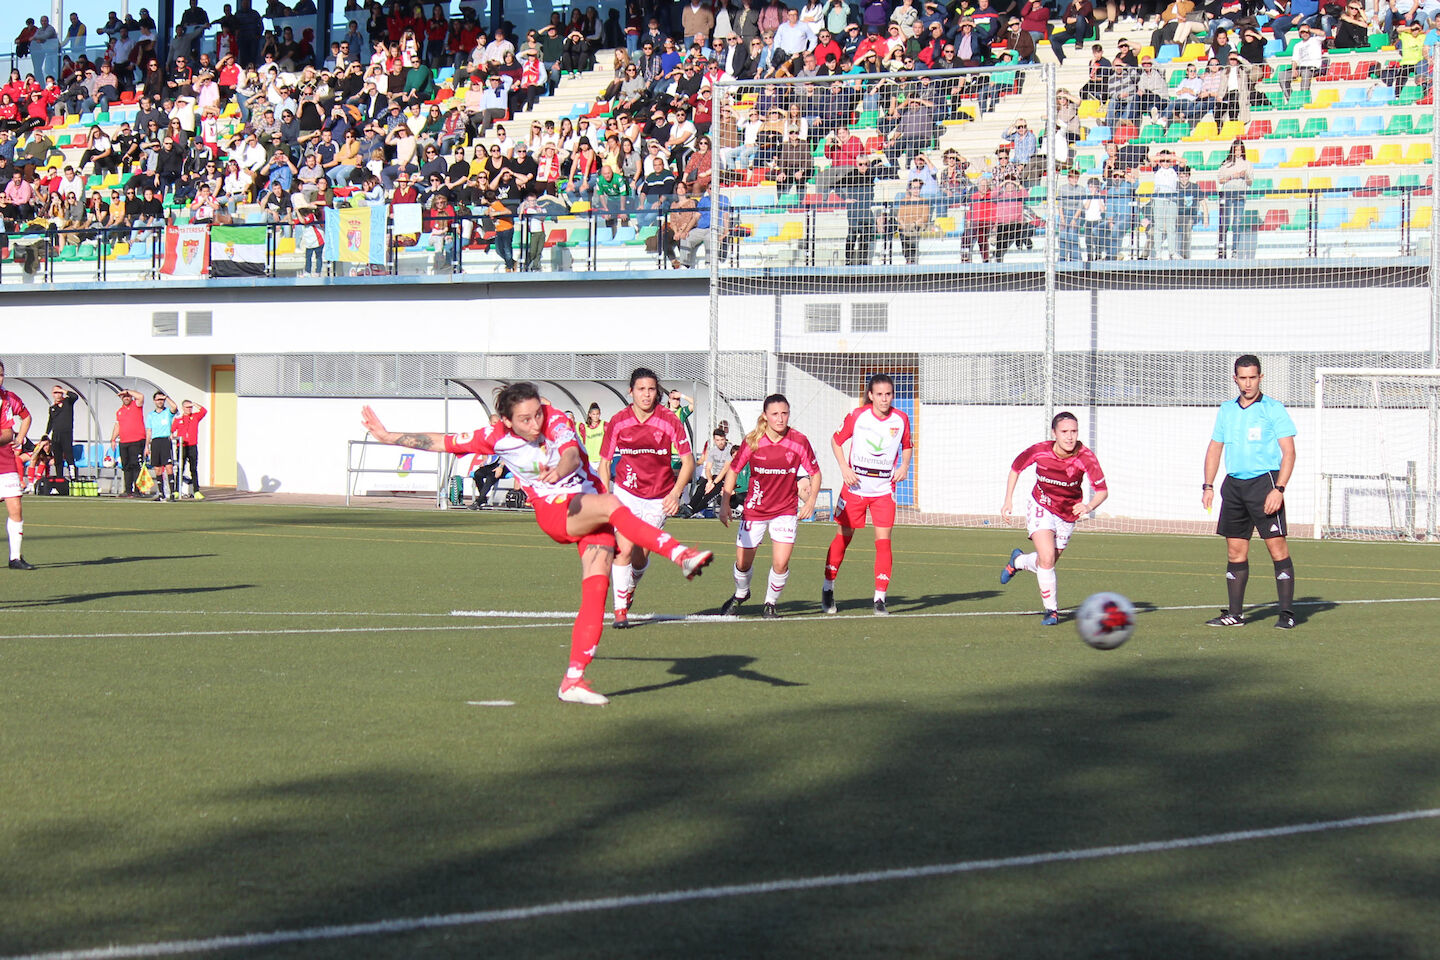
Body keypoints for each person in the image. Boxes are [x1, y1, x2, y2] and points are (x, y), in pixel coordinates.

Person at [360, 383, 714, 706]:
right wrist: (388, 436)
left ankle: (573, 680)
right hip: (558, 511)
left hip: (588, 510)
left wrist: (560, 469)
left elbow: (571, 454)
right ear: (507, 421)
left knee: (596, 589)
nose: (535, 423)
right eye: (525, 419)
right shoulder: (493, 437)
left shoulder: (555, 420)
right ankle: (681, 554)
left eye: (537, 414)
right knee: (611, 503)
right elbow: (443, 441)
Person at [1201, 355, 1298, 629]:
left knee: (1276, 547)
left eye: (1252, 377)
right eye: (1242, 378)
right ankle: (1235, 614)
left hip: (1264, 484)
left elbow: (1289, 452)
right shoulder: (1226, 410)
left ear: (1260, 378)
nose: (1247, 383)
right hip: (1234, 487)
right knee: (1235, 551)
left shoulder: (1273, 409)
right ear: (1235, 379)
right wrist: (1208, 485)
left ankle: (1286, 614)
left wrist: (1279, 489)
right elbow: (1215, 448)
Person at [598, 368, 695, 628]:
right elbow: (604, 463)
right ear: (631, 392)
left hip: (658, 497)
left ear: (657, 392)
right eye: (641, 389)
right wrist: (605, 496)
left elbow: (688, 462)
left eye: (651, 389)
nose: (646, 394)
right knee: (624, 549)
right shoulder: (618, 421)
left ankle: (630, 586)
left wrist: (675, 493)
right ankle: (620, 612)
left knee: (640, 557)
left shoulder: (669, 420)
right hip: (626, 493)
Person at [717, 393, 822, 618]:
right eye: (775, 414)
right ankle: (741, 593)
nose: (780, 418)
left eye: (784, 413)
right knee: (742, 563)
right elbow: (733, 470)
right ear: (765, 415)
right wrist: (725, 503)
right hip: (755, 510)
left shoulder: (799, 441)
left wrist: (811, 501)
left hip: (785, 510)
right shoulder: (753, 440)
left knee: (781, 563)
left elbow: (815, 473)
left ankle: (770, 604)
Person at [999, 411, 1109, 625]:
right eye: (1064, 431)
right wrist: (1008, 500)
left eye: (1074, 431)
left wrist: (1088, 506)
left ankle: (1018, 561)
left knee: (1046, 562)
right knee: (1047, 557)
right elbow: (1016, 468)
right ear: (1054, 433)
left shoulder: (1085, 457)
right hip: (1041, 505)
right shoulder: (1040, 451)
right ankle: (1051, 611)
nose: (1069, 436)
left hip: (1067, 514)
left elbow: (1102, 491)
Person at [822, 374, 913, 616]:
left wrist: (904, 466)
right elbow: (836, 441)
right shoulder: (858, 415)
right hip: (855, 488)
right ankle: (828, 588)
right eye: (879, 394)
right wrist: (844, 468)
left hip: (883, 490)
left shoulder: (901, 418)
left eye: (888, 394)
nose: (884, 399)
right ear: (870, 395)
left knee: (883, 542)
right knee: (843, 538)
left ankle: (880, 599)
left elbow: (907, 445)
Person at [0, 361, 34, 569]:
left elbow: (25, 418)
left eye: (1, 374)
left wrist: (20, 438)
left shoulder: (8, 398)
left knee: (16, 508)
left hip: (5, 461)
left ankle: (15, 558)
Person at [680, 423, 732, 518]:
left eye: (722, 440)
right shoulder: (712, 451)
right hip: (715, 477)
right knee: (701, 489)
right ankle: (690, 507)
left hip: (727, 478)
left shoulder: (729, 449)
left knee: (709, 495)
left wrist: (713, 484)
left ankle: (692, 512)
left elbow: (725, 469)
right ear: (714, 440)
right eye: (718, 440)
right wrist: (709, 481)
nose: (720, 442)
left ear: (725, 439)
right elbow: (708, 468)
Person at [109, 388, 147, 497]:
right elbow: (117, 426)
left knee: (136, 465)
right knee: (126, 466)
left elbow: (141, 396)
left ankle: (138, 490)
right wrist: (113, 439)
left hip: (137, 440)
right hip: (124, 441)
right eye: (124, 396)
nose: (126, 398)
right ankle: (128, 490)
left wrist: (127, 391)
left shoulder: (136, 405)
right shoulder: (120, 411)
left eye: (128, 396)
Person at [145, 390, 180, 501]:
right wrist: (146, 446)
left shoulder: (167, 412)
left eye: (161, 399)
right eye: (158, 399)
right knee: (157, 468)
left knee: (169, 467)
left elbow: (174, 407)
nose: (160, 401)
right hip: (155, 442)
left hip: (165, 441)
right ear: (154, 401)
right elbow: (149, 431)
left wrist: (166, 397)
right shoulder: (151, 415)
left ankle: (172, 493)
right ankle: (161, 494)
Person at [173, 398, 208, 499]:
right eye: (187, 407)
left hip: (192, 446)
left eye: (190, 407)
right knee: (180, 469)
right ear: (183, 408)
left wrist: (194, 404)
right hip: (182, 446)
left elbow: (204, 411)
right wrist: (172, 435)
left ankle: (196, 491)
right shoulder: (178, 419)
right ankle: (177, 490)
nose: (189, 409)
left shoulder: (195, 417)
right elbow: (172, 429)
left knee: (193, 469)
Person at [44, 385, 79, 480]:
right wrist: (46, 433)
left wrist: (63, 390)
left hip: (66, 434)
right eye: (55, 393)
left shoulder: (68, 402)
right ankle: (59, 477)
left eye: (59, 392)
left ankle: (73, 477)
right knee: (57, 457)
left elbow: (75, 396)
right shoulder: (52, 408)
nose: (57, 395)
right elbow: (50, 421)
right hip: (56, 435)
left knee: (69, 456)